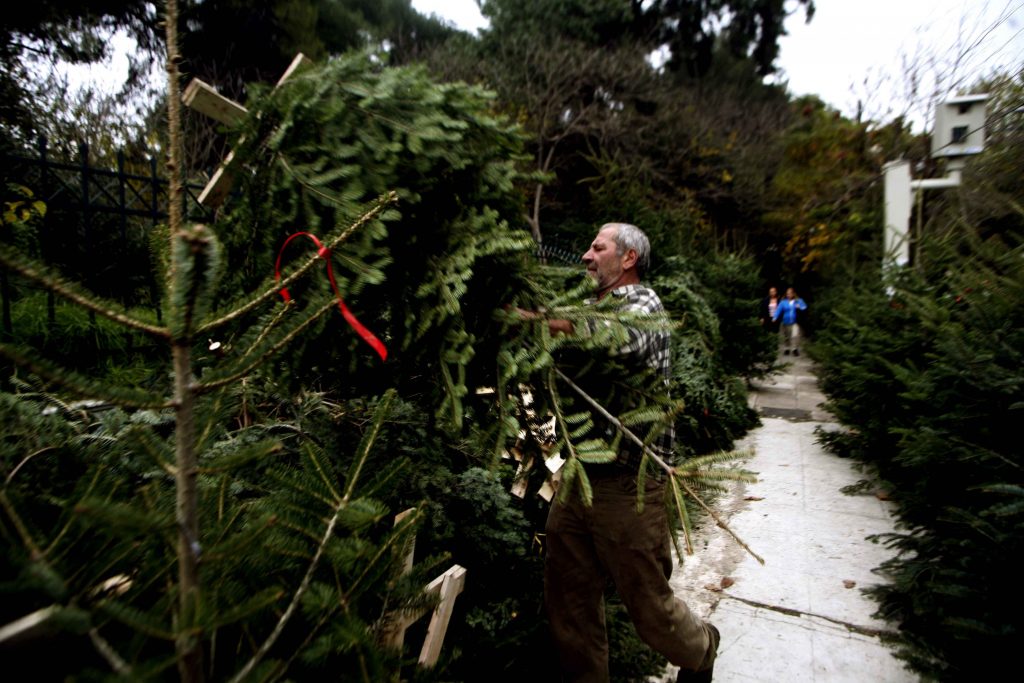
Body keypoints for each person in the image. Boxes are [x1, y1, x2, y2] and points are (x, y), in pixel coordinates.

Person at [517, 223, 719, 683]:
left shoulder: (642, 303)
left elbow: (616, 338)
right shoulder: (587, 306)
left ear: (628, 259)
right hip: (579, 476)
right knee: (568, 599)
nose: (586, 255)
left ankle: (702, 649)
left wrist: (533, 320)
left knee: (650, 609)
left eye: (598, 247)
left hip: (631, 484)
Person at [772, 287, 808, 356]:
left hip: (795, 321)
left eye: (790, 293)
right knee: (786, 336)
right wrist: (775, 317)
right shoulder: (783, 302)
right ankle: (787, 348)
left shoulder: (798, 300)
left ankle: (795, 349)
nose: (788, 295)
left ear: (793, 294)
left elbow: (805, 308)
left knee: (795, 335)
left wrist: (799, 307)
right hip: (785, 321)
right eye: (787, 294)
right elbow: (778, 310)